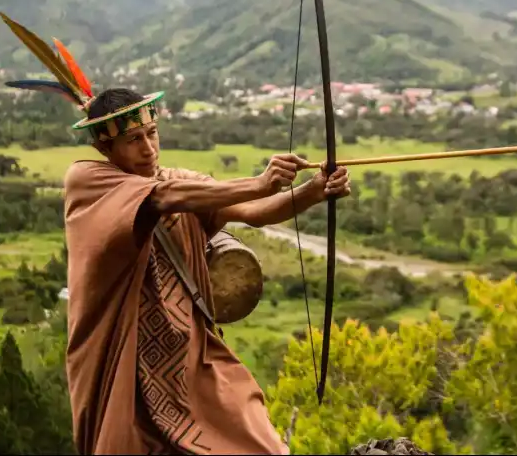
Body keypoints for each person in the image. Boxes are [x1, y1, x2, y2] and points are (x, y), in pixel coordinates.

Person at [62, 87, 352, 455]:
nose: (148, 149)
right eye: (133, 140)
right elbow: (162, 198)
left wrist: (314, 191)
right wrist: (258, 183)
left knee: (254, 435)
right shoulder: (88, 181)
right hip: (124, 354)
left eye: (151, 134)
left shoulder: (180, 181)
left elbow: (254, 212)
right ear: (105, 149)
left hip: (191, 352)